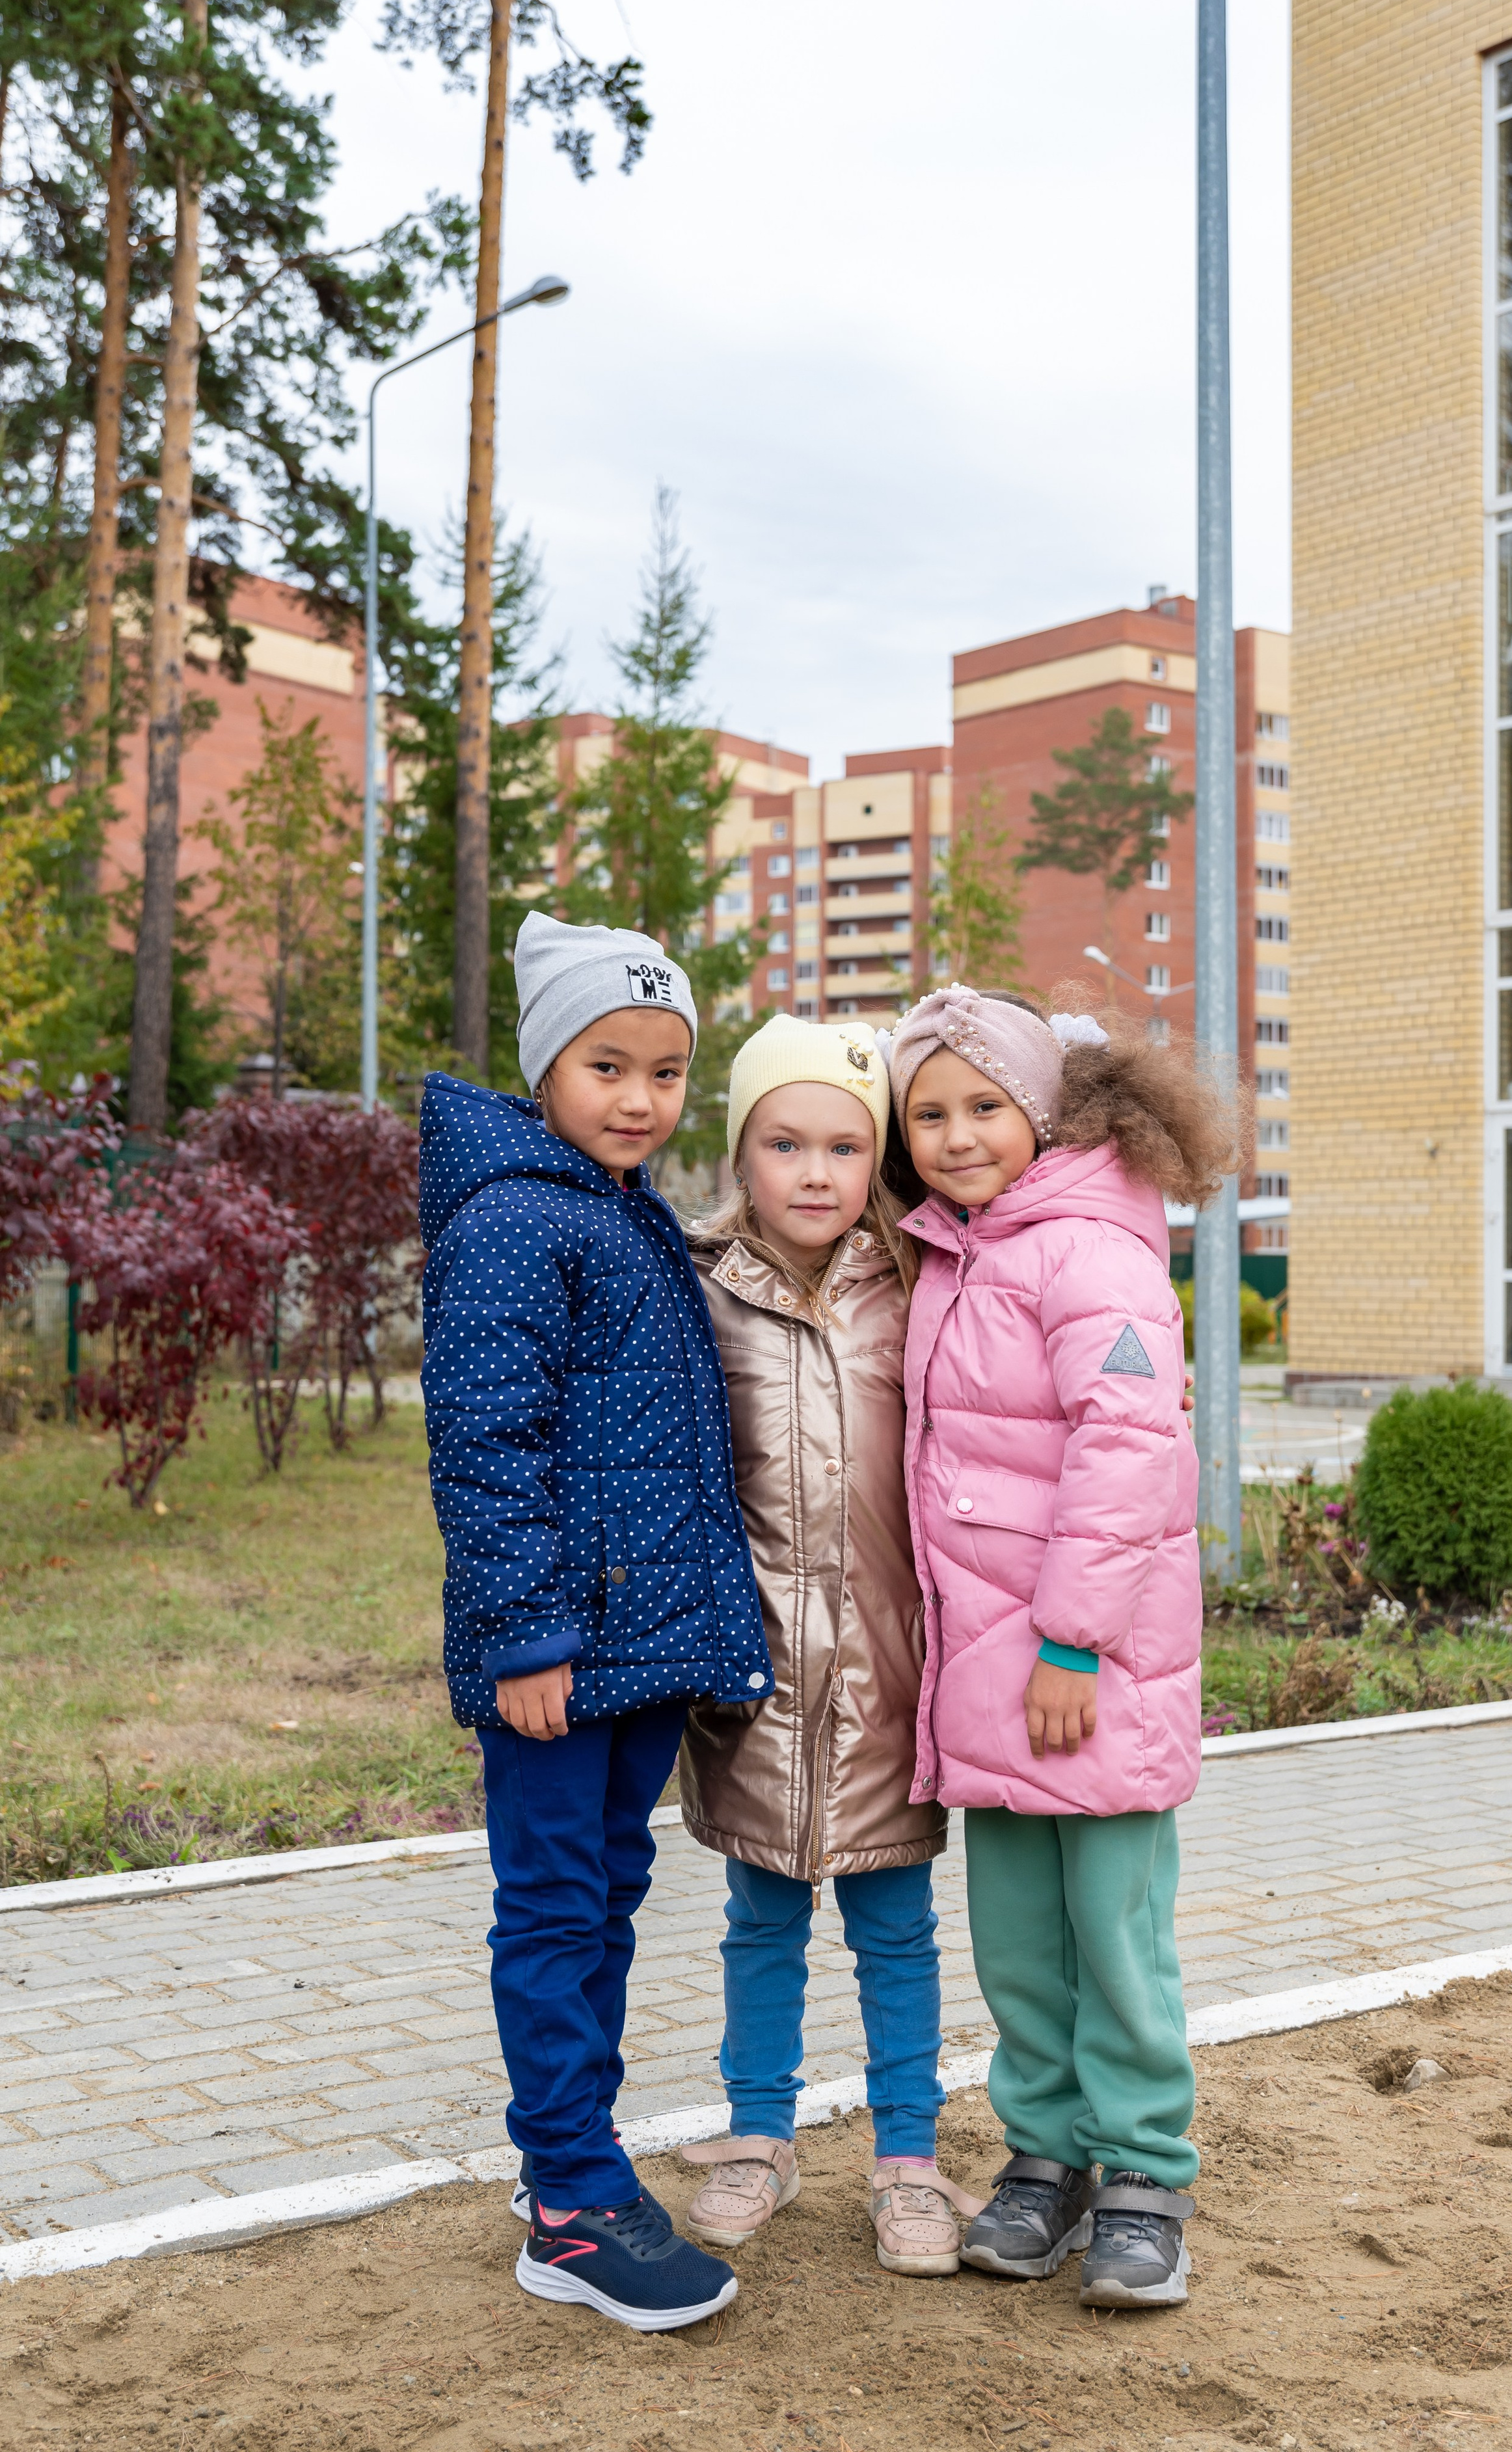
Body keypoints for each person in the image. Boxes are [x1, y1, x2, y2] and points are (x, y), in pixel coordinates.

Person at [420, 914, 774, 2334]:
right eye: (606, 1064)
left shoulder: (610, 1206)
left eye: (667, 1071)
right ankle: (570, 2206)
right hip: (559, 1654)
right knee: (557, 1912)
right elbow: (487, 1442)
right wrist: (524, 1637)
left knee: (603, 1901)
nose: (638, 1097)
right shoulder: (516, 1217)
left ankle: (568, 2153)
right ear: (544, 1067)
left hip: (629, 1648)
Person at [889, 984, 1237, 2310]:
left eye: (983, 1106)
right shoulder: (955, 1249)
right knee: (1020, 1944)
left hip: (1082, 1671)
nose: (957, 1132)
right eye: (927, 1111)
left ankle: (1145, 2169)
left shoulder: (1090, 1249)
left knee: (1115, 1934)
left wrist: (1073, 1645)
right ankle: (1046, 2155)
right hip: (989, 1674)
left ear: (1042, 1113)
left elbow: (1128, 1449)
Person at [677, 1014, 982, 2277]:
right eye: (784, 1142)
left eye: (844, 1146)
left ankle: (907, 2156)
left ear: (875, 1160)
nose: (814, 1172)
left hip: (887, 1673)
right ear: (742, 1149)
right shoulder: (693, 1279)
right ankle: (757, 2132)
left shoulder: (915, 1282)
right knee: (758, 1918)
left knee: (896, 1927)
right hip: (749, 1678)